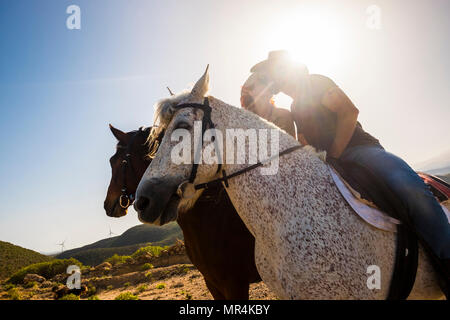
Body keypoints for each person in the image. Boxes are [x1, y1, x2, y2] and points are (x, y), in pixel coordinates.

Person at [241, 50, 450, 297]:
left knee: (409, 188)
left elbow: (349, 112)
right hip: (328, 162)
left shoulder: (317, 83)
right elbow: (304, 142)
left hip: (360, 151)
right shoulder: (296, 107)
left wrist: (336, 155)